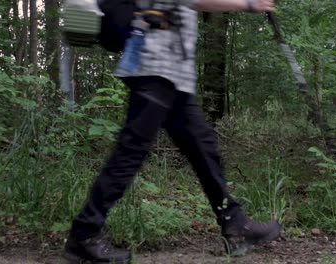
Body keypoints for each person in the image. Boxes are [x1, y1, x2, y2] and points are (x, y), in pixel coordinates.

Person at [63, 0, 280, 263]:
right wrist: (248, 4)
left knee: (203, 149)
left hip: (173, 74)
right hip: (155, 68)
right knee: (129, 153)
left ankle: (235, 226)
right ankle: (84, 235)